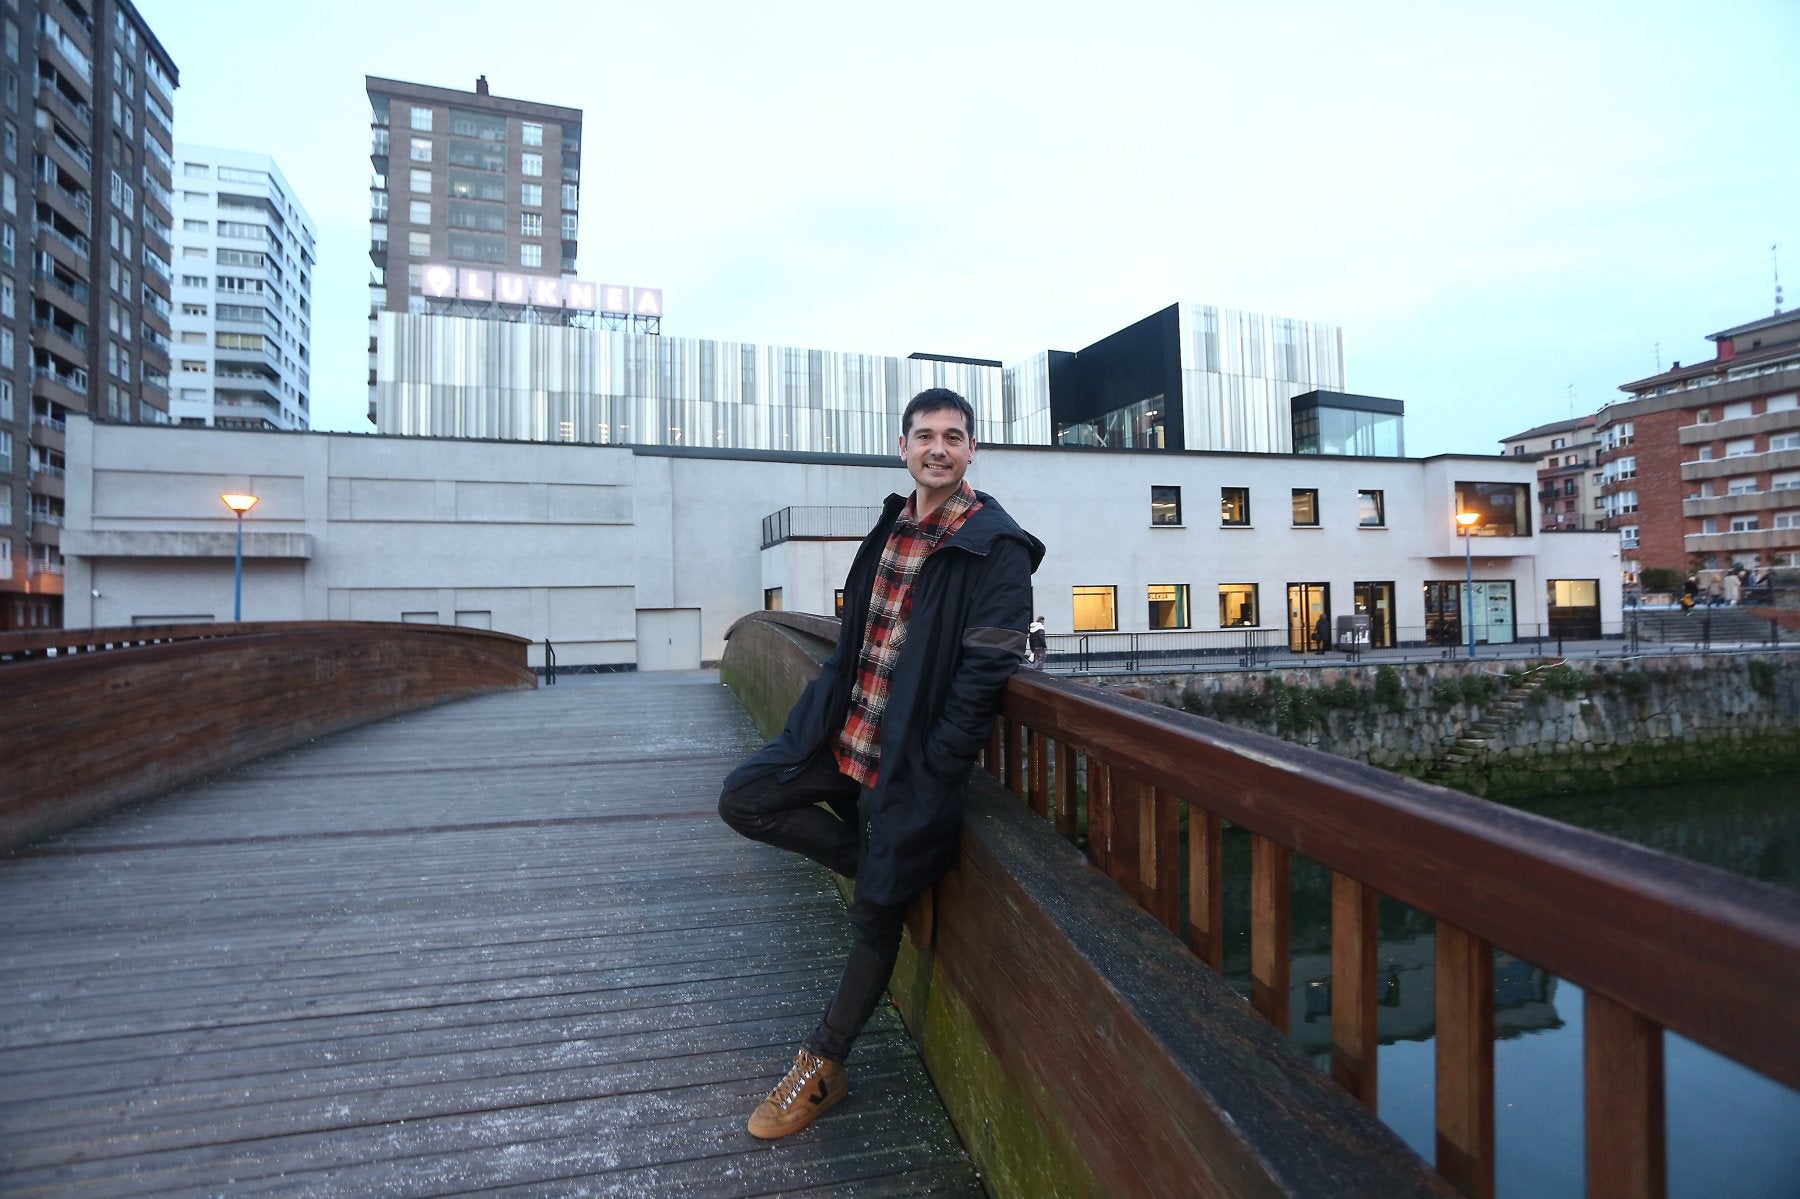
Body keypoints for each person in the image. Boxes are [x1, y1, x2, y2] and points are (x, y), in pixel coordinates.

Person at [717, 387, 1044, 1139]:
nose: (938, 447)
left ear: (971, 451)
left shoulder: (998, 547)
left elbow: (981, 681)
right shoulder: (890, 526)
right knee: (745, 797)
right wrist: (812, 724)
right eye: (924, 435)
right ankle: (879, 868)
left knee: (873, 924)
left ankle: (823, 1063)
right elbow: (853, 640)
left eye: (953, 436)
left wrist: (931, 775)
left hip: (905, 767)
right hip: (842, 741)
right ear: (903, 447)